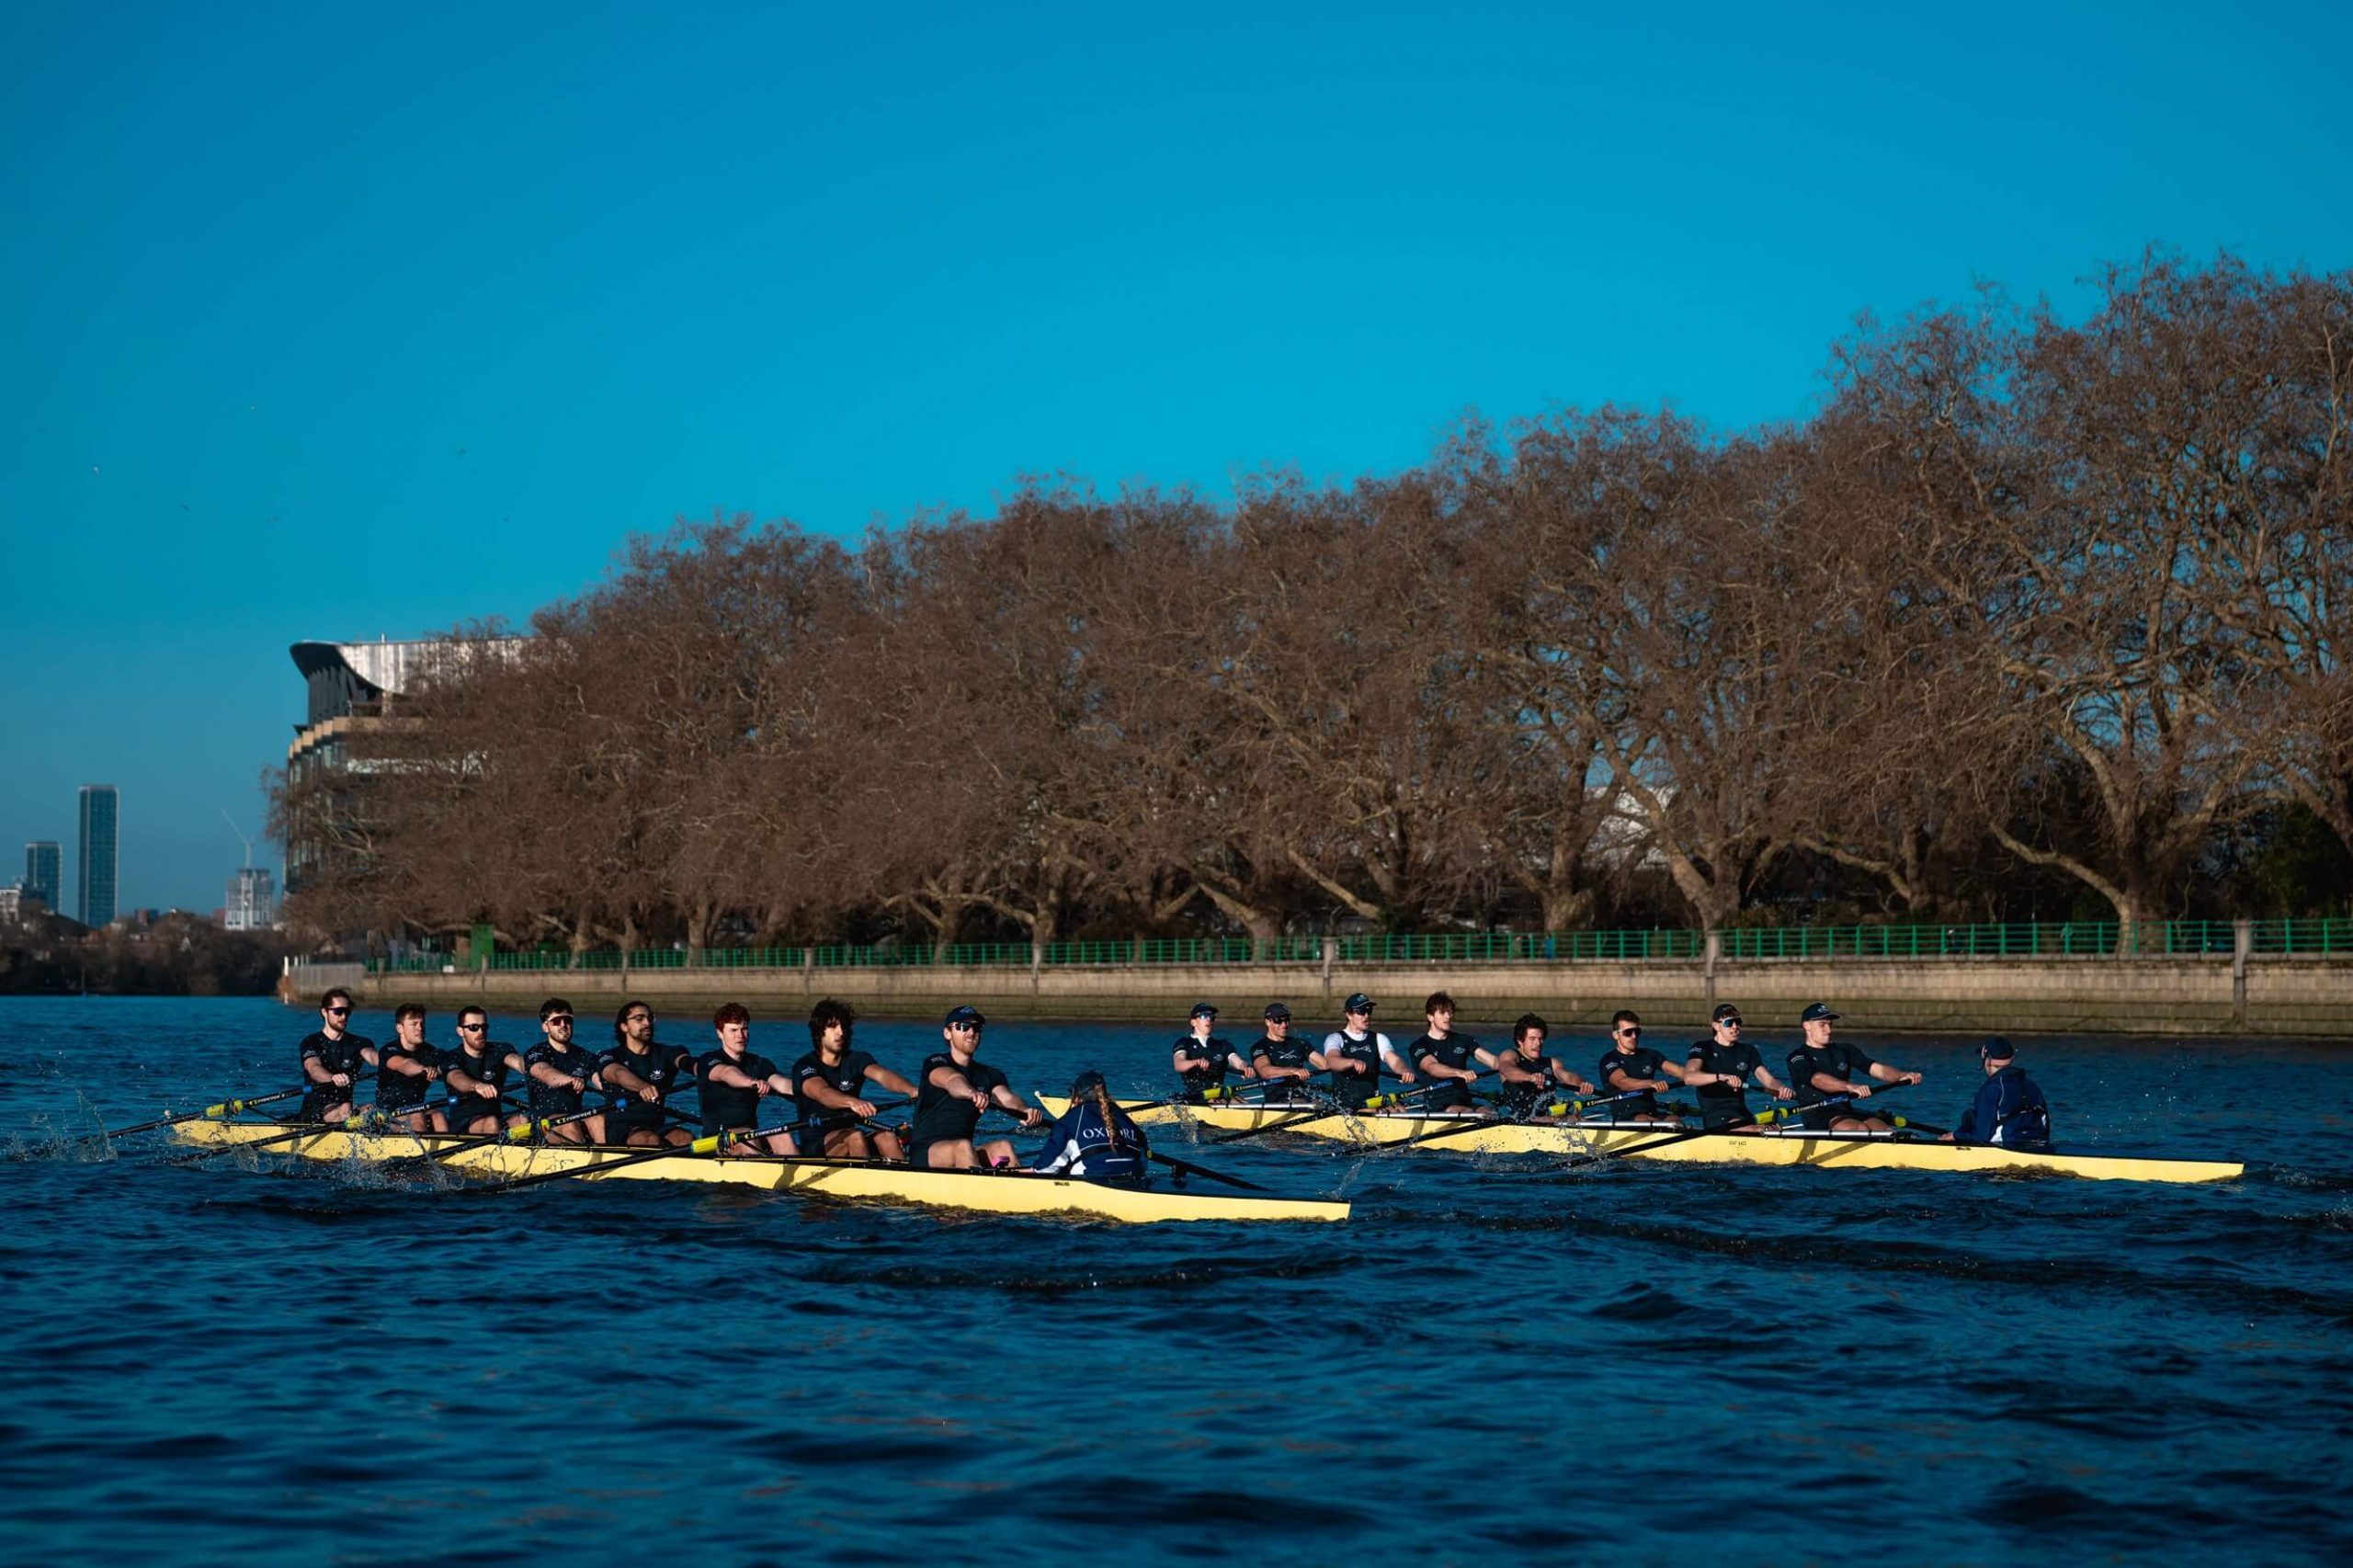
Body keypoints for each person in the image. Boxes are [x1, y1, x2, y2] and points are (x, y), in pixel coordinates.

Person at [910, 1006, 1043, 1169]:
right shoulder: (935, 1063)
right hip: (926, 1152)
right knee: (963, 1146)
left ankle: (1022, 1188)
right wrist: (971, 1093)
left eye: (976, 1028)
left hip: (963, 1150)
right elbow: (952, 1080)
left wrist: (1024, 1111)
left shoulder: (990, 1074)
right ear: (947, 1033)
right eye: (963, 1027)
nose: (971, 1033)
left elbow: (1008, 1099)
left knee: (1003, 1147)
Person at [791, 998, 915, 1160]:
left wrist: (911, 1090)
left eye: (843, 1026)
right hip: (817, 1145)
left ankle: (905, 1181)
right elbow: (822, 1093)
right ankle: (865, 1182)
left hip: (852, 1137)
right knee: (855, 1136)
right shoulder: (805, 1066)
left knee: (888, 1136)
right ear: (819, 1031)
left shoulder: (856, 1059)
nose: (840, 1032)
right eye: (833, 1026)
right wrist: (853, 1102)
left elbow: (883, 1075)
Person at [1784, 1003, 1923, 1132]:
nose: (1829, 1030)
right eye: (1822, 1025)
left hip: (1846, 1112)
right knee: (1861, 1128)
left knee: (1886, 1131)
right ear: (1807, 1026)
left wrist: (1901, 1076)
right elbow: (1818, 1080)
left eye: (1830, 1025)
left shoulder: (1845, 1050)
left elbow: (1877, 1069)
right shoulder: (1798, 1057)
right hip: (1819, 1117)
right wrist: (1850, 1087)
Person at [696, 1003, 800, 1154]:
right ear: (720, 1033)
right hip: (716, 1141)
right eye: (733, 1030)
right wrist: (751, 1082)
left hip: (749, 1134)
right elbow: (727, 1073)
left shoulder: (759, 1063)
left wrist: (808, 1091)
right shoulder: (708, 1060)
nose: (740, 1036)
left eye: (744, 1029)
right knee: (748, 1137)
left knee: (782, 1134)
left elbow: (781, 1083)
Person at [599, 999, 697, 1148]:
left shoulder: (668, 1052)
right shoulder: (609, 1056)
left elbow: (687, 1063)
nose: (647, 1023)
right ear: (624, 1026)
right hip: (622, 1126)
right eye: (639, 1019)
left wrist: (705, 1070)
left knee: (686, 1138)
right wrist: (642, 1086)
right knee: (649, 1140)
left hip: (655, 1124)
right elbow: (617, 1073)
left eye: (650, 1018)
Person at [1683, 1004, 1793, 1132]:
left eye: (1738, 1022)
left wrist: (1780, 1088)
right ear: (1716, 1026)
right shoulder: (1703, 1047)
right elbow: (1689, 1077)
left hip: (1741, 1113)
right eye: (1729, 1023)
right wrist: (1720, 1077)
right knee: (1758, 1130)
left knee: (1774, 1128)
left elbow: (1768, 1081)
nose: (1735, 1027)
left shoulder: (1747, 1051)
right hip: (1716, 1116)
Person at [1029, 1069, 1150, 1181]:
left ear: (1077, 1097)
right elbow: (1143, 1161)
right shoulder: (1125, 1118)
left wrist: (1032, 1170)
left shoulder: (1070, 1121)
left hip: (1092, 1185)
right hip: (1134, 1184)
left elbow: (1045, 1169)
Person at [522, 997, 607, 1145]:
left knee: (599, 1119)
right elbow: (545, 1073)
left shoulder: (584, 1056)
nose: (563, 1025)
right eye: (556, 1021)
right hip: (543, 1123)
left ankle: (609, 1156)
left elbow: (602, 1083)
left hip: (575, 1116)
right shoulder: (536, 1053)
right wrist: (569, 1079)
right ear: (545, 1027)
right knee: (568, 1123)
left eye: (567, 1020)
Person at [1943, 1037, 2052, 1150]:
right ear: (2012, 1059)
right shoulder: (2031, 1085)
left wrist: (1957, 1135)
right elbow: (2045, 1125)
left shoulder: (1991, 1089)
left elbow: (1981, 1137)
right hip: (2039, 1145)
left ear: (1987, 1061)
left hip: (2006, 1148)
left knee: (1969, 1116)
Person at [1321, 994, 1416, 1112]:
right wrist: (1352, 1062)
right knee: (1375, 1111)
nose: (1366, 1016)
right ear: (1349, 1015)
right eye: (1361, 1012)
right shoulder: (1335, 1038)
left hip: (1373, 1100)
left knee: (1400, 1108)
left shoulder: (1378, 1038)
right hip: (1346, 1104)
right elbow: (1332, 1061)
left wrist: (1405, 1071)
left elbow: (1394, 1060)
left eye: (1369, 1011)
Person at [297, 987, 378, 1125]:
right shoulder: (311, 1042)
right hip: (315, 1113)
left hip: (346, 1110)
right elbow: (313, 1068)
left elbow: (373, 1057)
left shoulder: (360, 1043)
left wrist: (390, 1064)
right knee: (346, 1107)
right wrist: (332, 1077)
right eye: (338, 1011)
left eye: (347, 1011)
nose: (344, 1016)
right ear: (324, 1012)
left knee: (371, 1109)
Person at [1491, 1014, 1597, 1118]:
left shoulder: (1553, 1063)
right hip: (1521, 1121)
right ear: (1520, 1040)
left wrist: (1580, 1084)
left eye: (1541, 1039)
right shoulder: (1510, 1055)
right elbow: (1507, 1070)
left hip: (1550, 1117)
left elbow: (1568, 1076)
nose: (1538, 1043)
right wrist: (1530, 1077)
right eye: (1532, 1039)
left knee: (1574, 1116)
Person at [441, 1006, 521, 1136]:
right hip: (464, 1126)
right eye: (474, 1027)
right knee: (491, 1122)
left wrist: (536, 1068)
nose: (480, 1032)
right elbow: (456, 1078)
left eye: (484, 1027)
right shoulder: (452, 1057)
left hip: (495, 1121)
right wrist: (476, 1086)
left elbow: (518, 1062)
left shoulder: (499, 1050)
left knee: (523, 1120)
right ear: (460, 1031)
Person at [1407, 992, 1490, 1115]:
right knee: (1468, 1112)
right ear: (1430, 1017)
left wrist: (1509, 1066)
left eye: (1450, 1012)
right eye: (1442, 1013)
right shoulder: (1419, 1046)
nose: (1448, 1017)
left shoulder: (1463, 1040)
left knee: (1491, 1113)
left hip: (1464, 1102)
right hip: (1438, 1105)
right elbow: (1433, 1068)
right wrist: (1460, 1073)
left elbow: (1491, 1060)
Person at [1596, 1010, 1685, 1123]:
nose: (1634, 1036)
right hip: (1626, 1116)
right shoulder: (1609, 1059)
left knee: (1675, 1121)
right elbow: (1623, 1082)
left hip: (1652, 1112)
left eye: (1637, 1032)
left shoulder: (1650, 1055)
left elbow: (1680, 1071)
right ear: (1615, 1035)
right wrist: (1651, 1083)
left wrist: (1705, 1076)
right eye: (1628, 1032)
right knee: (1655, 1123)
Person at [373, 1003, 447, 1134]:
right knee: (417, 1115)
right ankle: (419, 1152)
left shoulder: (431, 1052)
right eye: (414, 1024)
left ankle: (450, 1150)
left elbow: (449, 1068)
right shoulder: (389, 1050)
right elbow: (404, 1065)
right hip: (386, 1114)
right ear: (400, 1028)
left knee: (439, 1116)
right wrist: (424, 1069)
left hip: (415, 1108)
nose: (420, 1028)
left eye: (422, 1023)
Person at [1171, 1003, 1252, 1102]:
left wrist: (1245, 1068)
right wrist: (1195, 1062)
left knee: (1241, 1102)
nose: (1209, 1019)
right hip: (1196, 1095)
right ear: (1193, 1022)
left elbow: (1238, 1062)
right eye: (1204, 1016)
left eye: (1212, 1017)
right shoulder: (1184, 1043)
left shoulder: (1223, 1045)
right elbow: (1178, 1064)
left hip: (1219, 1092)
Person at [1247, 1003, 1318, 1104]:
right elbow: (1265, 1072)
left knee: (1322, 1103)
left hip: (1302, 1096)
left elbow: (1325, 1064)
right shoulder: (1260, 1047)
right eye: (1278, 1020)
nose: (1284, 1025)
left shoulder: (1299, 1043)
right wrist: (1294, 1071)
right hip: (1277, 1099)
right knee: (1304, 1102)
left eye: (1287, 1020)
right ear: (1268, 1022)